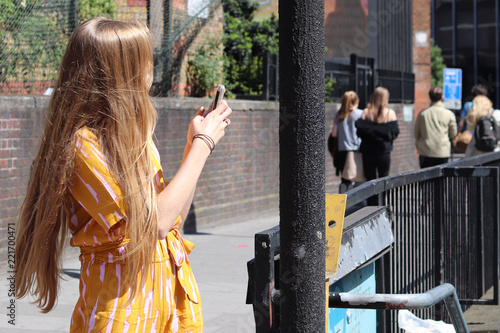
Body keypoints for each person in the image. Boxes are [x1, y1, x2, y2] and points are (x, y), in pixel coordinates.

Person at [15, 18, 232, 332]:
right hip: (124, 317)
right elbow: (154, 224)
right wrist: (203, 144)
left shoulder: (134, 137)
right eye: (146, 60)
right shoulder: (83, 145)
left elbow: (171, 221)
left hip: (164, 309)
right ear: (123, 71)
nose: (151, 69)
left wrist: (190, 147)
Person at [355, 87, 399, 181]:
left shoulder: (366, 112)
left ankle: (373, 197)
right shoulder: (390, 113)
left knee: (370, 180)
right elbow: (395, 133)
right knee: (383, 179)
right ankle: (382, 196)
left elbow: (359, 132)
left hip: (367, 151)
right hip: (383, 151)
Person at [414, 86, 457, 168]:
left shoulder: (422, 114)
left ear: (430, 97)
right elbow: (453, 133)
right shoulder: (449, 114)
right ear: (442, 97)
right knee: (440, 179)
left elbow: (416, 134)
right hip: (442, 151)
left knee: (425, 179)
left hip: (425, 151)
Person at [330, 91, 364, 193]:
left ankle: (342, 205)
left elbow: (334, 134)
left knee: (345, 180)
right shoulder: (360, 114)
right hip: (357, 150)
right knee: (361, 178)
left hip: (342, 151)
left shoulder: (339, 115)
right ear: (357, 101)